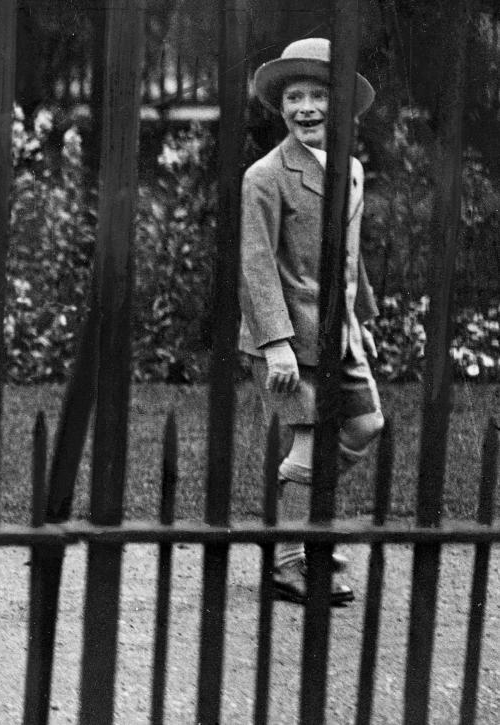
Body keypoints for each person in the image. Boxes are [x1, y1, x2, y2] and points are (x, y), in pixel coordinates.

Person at [240, 38, 385, 606]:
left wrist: (360, 316)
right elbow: (254, 264)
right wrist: (275, 342)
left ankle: (298, 522)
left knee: (364, 425)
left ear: (341, 104)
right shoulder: (265, 176)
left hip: (337, 330)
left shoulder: (348, 167)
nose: (305, 107)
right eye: (294, 96)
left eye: (317, 95)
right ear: (281, 108)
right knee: (308, 439)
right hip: (289, 337)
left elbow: (350, 252)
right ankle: (287, 562)